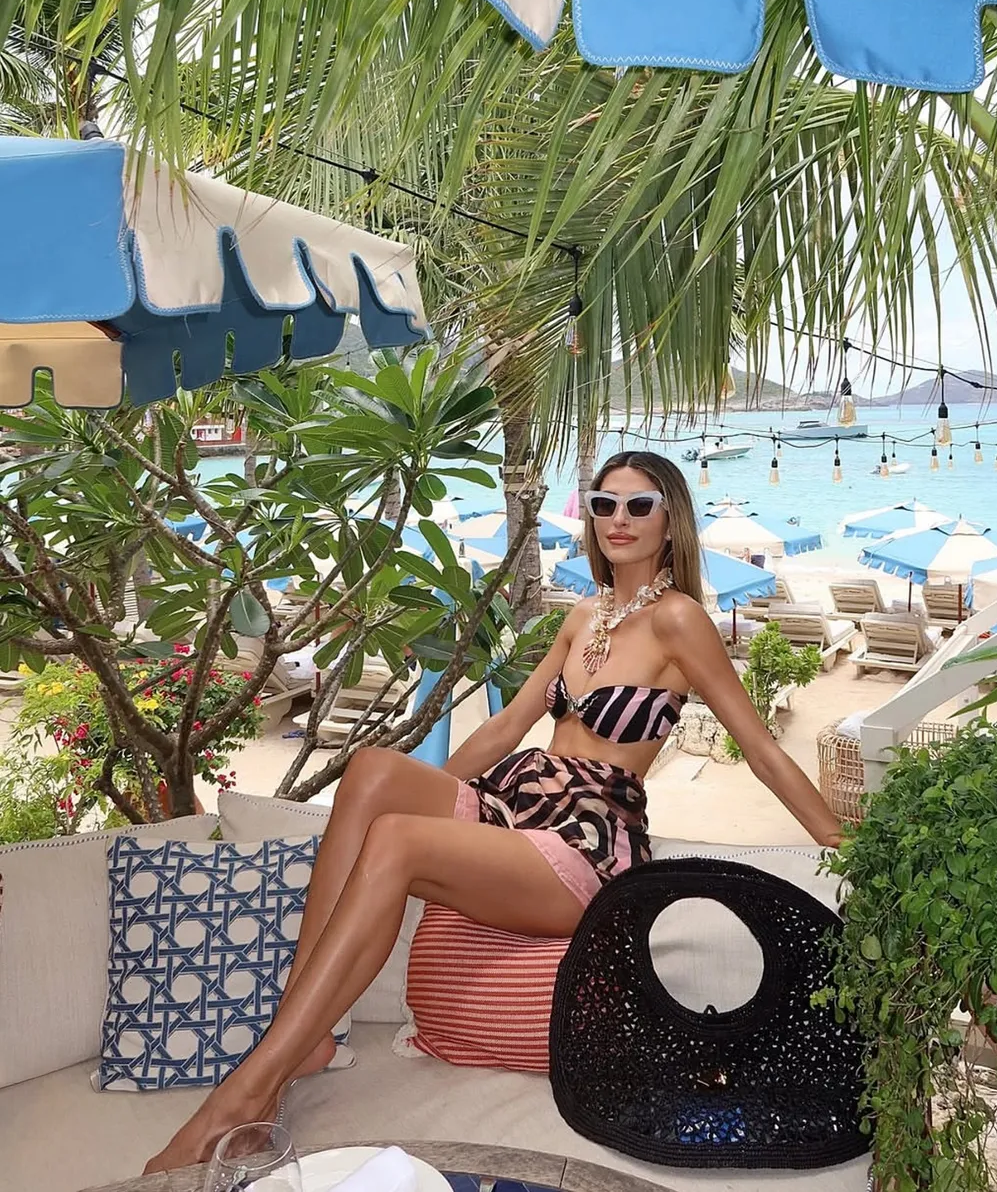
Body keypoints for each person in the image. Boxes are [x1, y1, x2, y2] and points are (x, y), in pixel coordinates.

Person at [145, 451, 842, 1173]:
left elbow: (758, 747)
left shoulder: (680, 620)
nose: (619, 519)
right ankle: (306, 1034)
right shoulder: (583, 616)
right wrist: (428, 794)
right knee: (374, 771)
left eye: (640, 506)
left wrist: (834, 837)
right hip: (518, 803)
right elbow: (508, 726)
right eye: (604, 504)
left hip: (586, 840)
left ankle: (244, 1094)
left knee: (397, 841)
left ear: (671, 523)